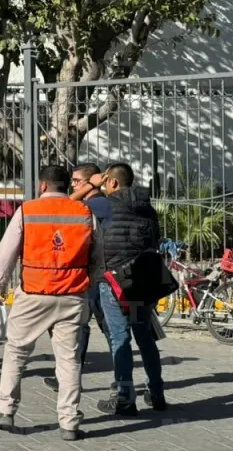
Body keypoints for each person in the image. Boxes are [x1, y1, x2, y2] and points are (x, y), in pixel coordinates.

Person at [0, 165, 104, 441]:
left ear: (42, 186)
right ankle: (69, 422)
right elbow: (97, 257)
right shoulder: (85, 213)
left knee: (17, 351)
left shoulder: (28, 211)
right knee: (68, 360)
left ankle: (6, 409)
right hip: (72, 295)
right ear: (68, 186)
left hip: (34, 293)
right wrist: (88, 282)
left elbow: (6, 250)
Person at [76, 162, 167, 415]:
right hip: (142, 280)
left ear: (112, 183)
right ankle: (157, 392)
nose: (103, 186)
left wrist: (91, 185)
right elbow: (155, 240)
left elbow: (69, 207)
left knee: (120, 338)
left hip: (114, 282)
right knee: (145, 338)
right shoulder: (148, 208)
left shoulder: (105, 205)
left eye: (105, 182)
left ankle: (125, 397)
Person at [43, 163, 113, 391]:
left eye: (76, 181)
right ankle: (71, 376)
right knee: (88, 327)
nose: (72, 186)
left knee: (99, 328)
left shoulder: (94, 206)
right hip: (95, 273)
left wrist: (90, 186)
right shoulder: (96, 204)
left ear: (92, 181)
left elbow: (62, 205)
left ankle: (75, 378)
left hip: (94, 274)